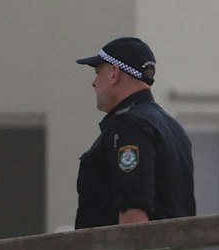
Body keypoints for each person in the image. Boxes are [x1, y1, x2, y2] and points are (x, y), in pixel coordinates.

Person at [73, 37, 196, 228]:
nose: (94, 82)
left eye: (98, 72)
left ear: (114, 73)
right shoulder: (171, 126)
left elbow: (134, 210)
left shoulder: (130, 126)